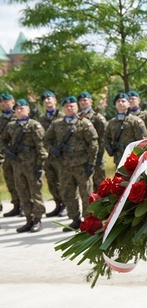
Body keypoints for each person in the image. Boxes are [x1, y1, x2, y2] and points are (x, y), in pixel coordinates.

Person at [44, 96, 99, 231]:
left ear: (77, 107)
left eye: (72, 106)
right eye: (67, 106)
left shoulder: (84, 123)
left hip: (82, 165)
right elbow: (46, 140)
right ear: (63, 108)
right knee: (68, 193)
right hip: (64, 165)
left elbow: (93, 144)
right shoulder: (56, 124)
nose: (69, 108)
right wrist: (52, 150)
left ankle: (88, 220)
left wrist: (91, 164)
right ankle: (75, 219)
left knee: (86, 193)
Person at [0, 99, 47, 232]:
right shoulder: (11, 126)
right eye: (17, 109)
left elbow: (41, 148)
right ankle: (28, 219)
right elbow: (2, 141)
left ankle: (37, 220)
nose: (19, 111)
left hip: (32, 165)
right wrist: (6, 150)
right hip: (17, 165)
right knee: (22, 192)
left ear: (28, 110)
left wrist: (39, 166)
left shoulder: (34, 125)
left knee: (35, 193)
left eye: (22, 108)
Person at [38, 91, 66, 217]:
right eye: (45, 99)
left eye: (50, 98)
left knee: (63, 180)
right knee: (51, 181)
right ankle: (57, 204)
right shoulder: (41, 118)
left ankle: (66, 205)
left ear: (55, 101)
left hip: (61, 155)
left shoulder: (62, 116)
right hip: (48, 155)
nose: (47, 100)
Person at [103, 93, 147, 161]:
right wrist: (108, 147)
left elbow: (143, 140)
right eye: (118, 101)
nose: (121, 103)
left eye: (123, 101)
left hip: (134, 158)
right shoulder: (112, 122)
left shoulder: (135, 121)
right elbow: (106, 137)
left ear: (128, 104)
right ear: (115, 105)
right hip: (118, 158)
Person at [77, 91, 108, 187]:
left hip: (96, 156)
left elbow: (103, 138)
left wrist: (99, 155)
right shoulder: (77, 118)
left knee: (99, 185)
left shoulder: (97, 118)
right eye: (81, 100)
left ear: (91, 102)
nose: (83, 102)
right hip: (81, 157)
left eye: (85, 100)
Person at [1, 92, 23, 217]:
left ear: (13, 102)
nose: (4, 104)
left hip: (20, 155)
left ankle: (26, 206)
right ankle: (16, 205)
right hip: (6, 154)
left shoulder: (19, 116)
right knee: (10, 180)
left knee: (21, 181)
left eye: (6, 101)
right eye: (2, 102)